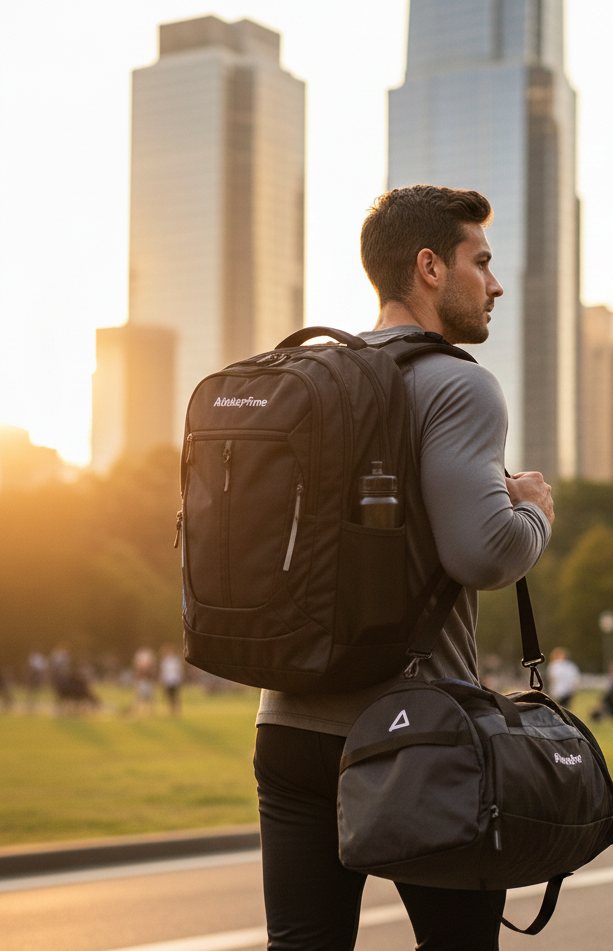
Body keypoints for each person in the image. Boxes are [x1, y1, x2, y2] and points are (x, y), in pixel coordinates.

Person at [252, 185, 554, 951]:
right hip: (413, 730)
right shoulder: (456, 382)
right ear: (428, 267)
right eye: (479, 261)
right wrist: (536, 510)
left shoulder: (311, 377)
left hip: (287, 722)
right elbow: (484, 552)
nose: (494, 283)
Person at [160, 644, 184, 716]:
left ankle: (176, 710)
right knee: (169, 696)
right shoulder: (165, 661)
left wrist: (180, 678)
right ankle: (170, 710)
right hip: (168, 681)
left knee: (175, 696)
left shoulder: (176, 660)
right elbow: (163, 672)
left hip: (175, 680)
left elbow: (179, 670)